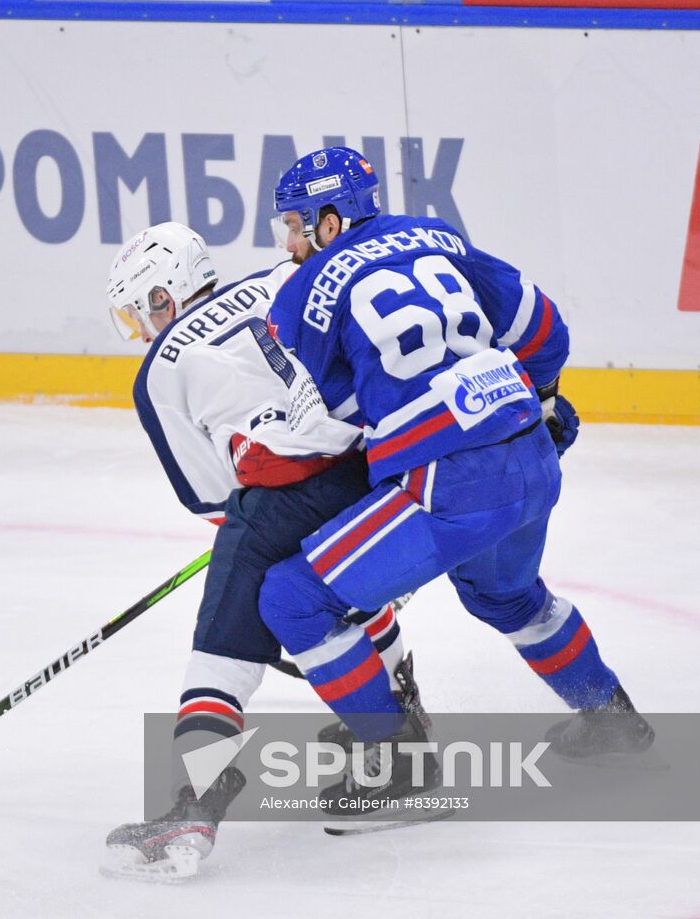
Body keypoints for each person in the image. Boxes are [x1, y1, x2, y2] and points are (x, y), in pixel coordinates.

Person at [257, 147, 652, 790]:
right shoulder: (440, 237)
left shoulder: (304, 290)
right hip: (532, 453)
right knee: (508, 595)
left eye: (297, 224)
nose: (291, 241)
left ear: (330, 223)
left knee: (293, 599)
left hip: (449, 483)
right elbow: (545, 330)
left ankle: (399, 772)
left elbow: (330, 421)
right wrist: (545, 398)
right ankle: (610, 717)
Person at [99, 221, 428, 880]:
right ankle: (402, 730)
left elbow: (212, 496)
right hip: (378, 460)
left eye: (148, 306)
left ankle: (194, 802)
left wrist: (252, 529)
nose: (145, 324)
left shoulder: (161, 367)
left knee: (223, 640)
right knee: (336, 588)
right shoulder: (286, 276)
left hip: (284, 487)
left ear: (173, 292)